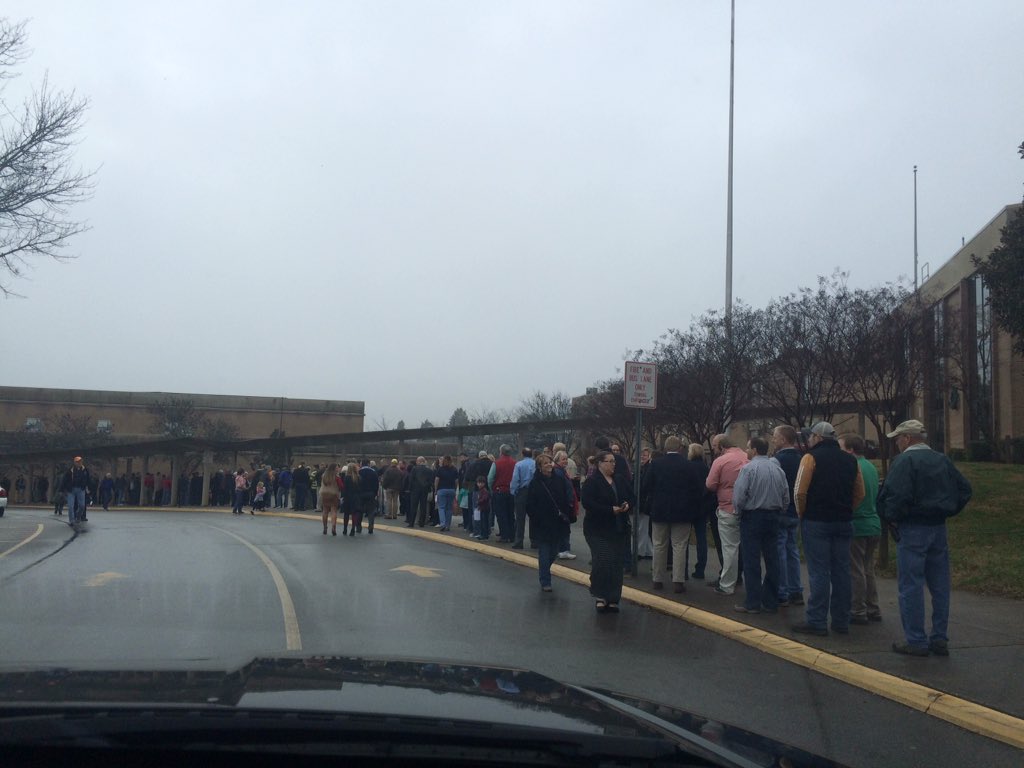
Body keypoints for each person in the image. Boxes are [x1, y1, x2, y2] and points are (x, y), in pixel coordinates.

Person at [878, 420, 972, 657]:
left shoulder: (905, 461)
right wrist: (948, 509)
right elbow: (964, 489)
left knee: (911, 585)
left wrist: (892, 517)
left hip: (912, 528)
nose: (897, 443)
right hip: (938, 527)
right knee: (940, 586)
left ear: (907, 438)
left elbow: (895, 495)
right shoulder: (942, 459)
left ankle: (916, 640)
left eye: (898, 438)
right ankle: (939, 638)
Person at [792, 422, 865, 637]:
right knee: (842, 571)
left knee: (819, 571)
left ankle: (817, 620)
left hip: (816, 520)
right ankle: (841, 620)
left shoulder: (810, 458)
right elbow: (859, 492)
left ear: (817, 437)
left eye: (811, 437)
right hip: (843, 521)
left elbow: (799, 492)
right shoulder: (851, 460)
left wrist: (802, 513)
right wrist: (845, 509)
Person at [733, 437, 790, 614]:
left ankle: (753, 602)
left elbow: (739, 497)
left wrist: (738, 513)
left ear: (755, 450)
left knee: (752, 560)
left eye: (748, 447)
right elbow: (785, 496)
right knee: (773, 560)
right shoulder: (778, 469)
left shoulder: (748, 469)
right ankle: (771, 601)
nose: (746, 450)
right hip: (773, 516)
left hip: (753, 517)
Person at [643, 436, 705, 593]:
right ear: (680, 448)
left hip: (659, 510)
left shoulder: (656, 464)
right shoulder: (688, 466)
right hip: (683, 512)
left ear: (665, 448)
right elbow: (697, 489)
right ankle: (678, 580)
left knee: (659, 544)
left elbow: (646, 486)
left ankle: (657, 579)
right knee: (679, 545)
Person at [839, 433, 882, 625]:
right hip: (874, 523)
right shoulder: (871, 467)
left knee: (855, 569)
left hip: (858, 523)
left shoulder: (852, 467)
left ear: (849, 449)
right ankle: (873, 607)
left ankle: (857, 609)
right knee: (868, 568)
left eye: (840, 447)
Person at [581, 450, 631, 613]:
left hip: (618, 528)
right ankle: (600, 595)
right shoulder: (592, 482)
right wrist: (610, 510)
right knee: (603, 560)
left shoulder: (620, 480)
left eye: (614, 461)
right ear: (600, 464)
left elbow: (632, 496)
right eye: (609, 461)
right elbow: (588, 503)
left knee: (616, 564)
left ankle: (613, 597)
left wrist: (627, 505)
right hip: (597, 530)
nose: (613, 464)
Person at [705, 434, 749, 595]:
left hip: (727, 507)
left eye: (715, 446)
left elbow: (710, 484)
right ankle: (742, 577)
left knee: (729, 547)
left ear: (722, 446)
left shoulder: (721, 461)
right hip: (748, 508)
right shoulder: (747, 456)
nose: (714, 449)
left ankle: (727, 584)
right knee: (744, 546)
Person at [526, 453, 574, 592]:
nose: (549, 465)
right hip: (542, 523)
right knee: (544, 552)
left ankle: (544, 570)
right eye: (545, 463)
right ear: (539, 467)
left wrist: (566, 512)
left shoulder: (559, 479)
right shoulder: (535, 483)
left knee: (554, 551)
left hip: (558, 521)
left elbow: (565, 497)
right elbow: (530, 504)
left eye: (550, 462)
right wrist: (536, 518)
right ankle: (545, 580)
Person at [772, 425, 805, 608]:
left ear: (783, 439)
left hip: (781, 510)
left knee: (780, 551)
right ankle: (796, 590)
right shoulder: (802, 459)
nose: (773, 439)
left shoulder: (777, 460)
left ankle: (781, 591)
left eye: (775, 437)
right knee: (793, 550)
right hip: (796, 511)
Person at [552, 450, 579, 559]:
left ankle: (562, 549)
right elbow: (562, 490)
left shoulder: (560, 471)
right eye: (563, 459)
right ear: (557, 460)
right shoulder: (559, 473)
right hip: (563, 505)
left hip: (563, 504)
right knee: (564, 528)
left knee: (563, 528)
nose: (566, 461)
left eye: (566, 459)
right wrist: (569, 503)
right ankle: (564, 550)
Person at [488, 444, 517, 543]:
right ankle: (512, 535)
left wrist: (492, 488)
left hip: (499, 491)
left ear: (501, 452)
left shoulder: (496, 463)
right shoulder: (515, 463)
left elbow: (490, 478)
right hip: (511, 492)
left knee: (501, 514)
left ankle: (504, 535)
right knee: (511, 514)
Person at [510, 448, 536, 549]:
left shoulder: (519, 465)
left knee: (520, 518)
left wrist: (514, 491)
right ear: (531, 454)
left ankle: (519, 541)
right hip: (533, 492)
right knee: (533, 518)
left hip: (522, 492)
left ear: (523, 454)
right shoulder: (535, 464)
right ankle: (534, 541)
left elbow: (515, 479)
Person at [61, 457, 90, 527]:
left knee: (82, 506)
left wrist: (88, 488)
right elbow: (64, 480)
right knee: (70, 506)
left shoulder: (85, 470)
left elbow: (88, 479)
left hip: (81, 489)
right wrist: (61, 490)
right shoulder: (70, 470)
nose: (79, 463)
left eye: (80, 461)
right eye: (77, 462)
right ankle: (71, 520)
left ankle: (78, 516)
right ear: (74, 462)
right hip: (71, 490)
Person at [408, 457, 434, 528]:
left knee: (413, 506)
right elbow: (431, 481)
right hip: (424, 490)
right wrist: (427, 487)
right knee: (423, 506)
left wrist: (410, 489)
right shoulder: (429, 470)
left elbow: (411, 479)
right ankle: (422, 523)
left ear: (419, 461)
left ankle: (411, 523)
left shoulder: (414, 469)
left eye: (417, 461)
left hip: (415, 490)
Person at [318, 463, 342, 536]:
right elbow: (341, 486)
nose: (338, 469)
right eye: (337, 468)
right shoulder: (336, 477)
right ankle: (333, 527)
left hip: (324, 494)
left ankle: (325, 527)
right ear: (334, 469)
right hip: (333, 495)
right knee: (333, 511)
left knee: (325, 511)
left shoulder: (324, 475)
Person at [358, 459, 379, 534]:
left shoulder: (359, 472)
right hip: (371, 493)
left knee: (359, 511)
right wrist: (375, 493)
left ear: (362, 464)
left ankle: (358, 527)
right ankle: (371, 526)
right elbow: (377, 484)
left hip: (360, 494)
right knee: (371, 511)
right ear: (368, 464)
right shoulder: (373, 472)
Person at [342, 463, 361, 535]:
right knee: (354, 514)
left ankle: (345, 529)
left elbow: (345, 489)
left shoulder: (346, 478)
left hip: (347, 497)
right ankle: (353, 528)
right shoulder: (358, 477)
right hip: (355, 497)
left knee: (346, 514)